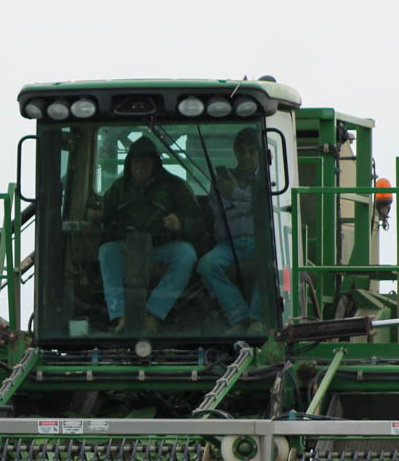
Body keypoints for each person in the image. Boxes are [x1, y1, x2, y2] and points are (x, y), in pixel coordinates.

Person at [97, 137, 203, 333]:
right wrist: (115, 230)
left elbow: (200, 223)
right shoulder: (118, 189)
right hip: (129, 247)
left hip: (162, 248)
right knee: (106, 252)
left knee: (186, 254)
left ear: (155, 164)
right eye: (136, 163)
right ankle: (121, 316)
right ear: (129, 164)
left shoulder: (176, 187)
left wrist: (180, 224)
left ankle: (153, 316)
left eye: (145, 162)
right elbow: (106, 222)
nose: (140, 167)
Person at [198, 131, 270, 331]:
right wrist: (249, 206)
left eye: (251, 151)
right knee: (206, 265)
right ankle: (239, 317)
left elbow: (265, 207)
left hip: (260, 242)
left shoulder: (269, 178)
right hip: (228, 243)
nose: (246, 156)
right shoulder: (220, 179)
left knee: (272, 260)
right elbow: (219, 212)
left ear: (260, 152)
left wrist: (234, 195)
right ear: (235, 152)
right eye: (241, 151)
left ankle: (256, 319)